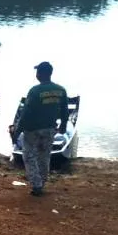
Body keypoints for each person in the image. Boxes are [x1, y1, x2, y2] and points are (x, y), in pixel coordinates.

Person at [12, 61, 69, 197]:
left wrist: (17, 131)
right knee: (44, 156)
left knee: (29, 156)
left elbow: (26, 113)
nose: (36, 74)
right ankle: (42, 182)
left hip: (32, 130)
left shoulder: (35, 91)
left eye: (37, 72)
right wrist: (63, 125)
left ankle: (37, 185)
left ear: (41, 74)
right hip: (49, 129)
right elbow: (64, 111)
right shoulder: (61, 90)